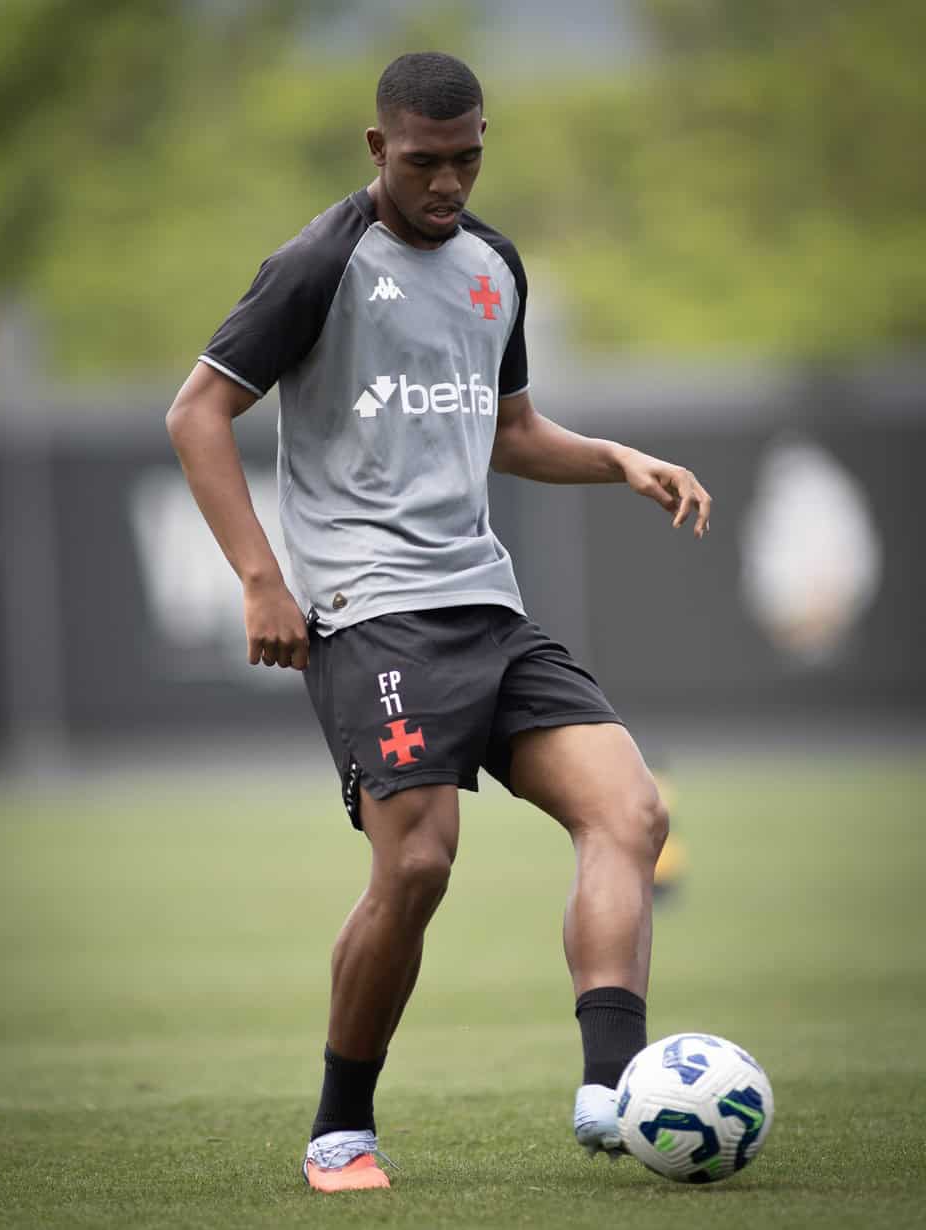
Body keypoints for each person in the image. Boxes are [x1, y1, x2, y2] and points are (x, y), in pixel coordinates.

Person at [166, 51, 712, 1193]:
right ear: (379, 149)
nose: (449, 182)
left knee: (632, 810)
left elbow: (509, 431)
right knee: (417, 864)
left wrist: (616, 457)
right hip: (369, 613)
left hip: (486, 604)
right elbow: (198, 411)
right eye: (425, 161)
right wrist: (262, 581)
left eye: (468, 157)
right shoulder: (321, 261)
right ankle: (340, 1129)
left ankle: (611, 1089)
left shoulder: (491, 265)